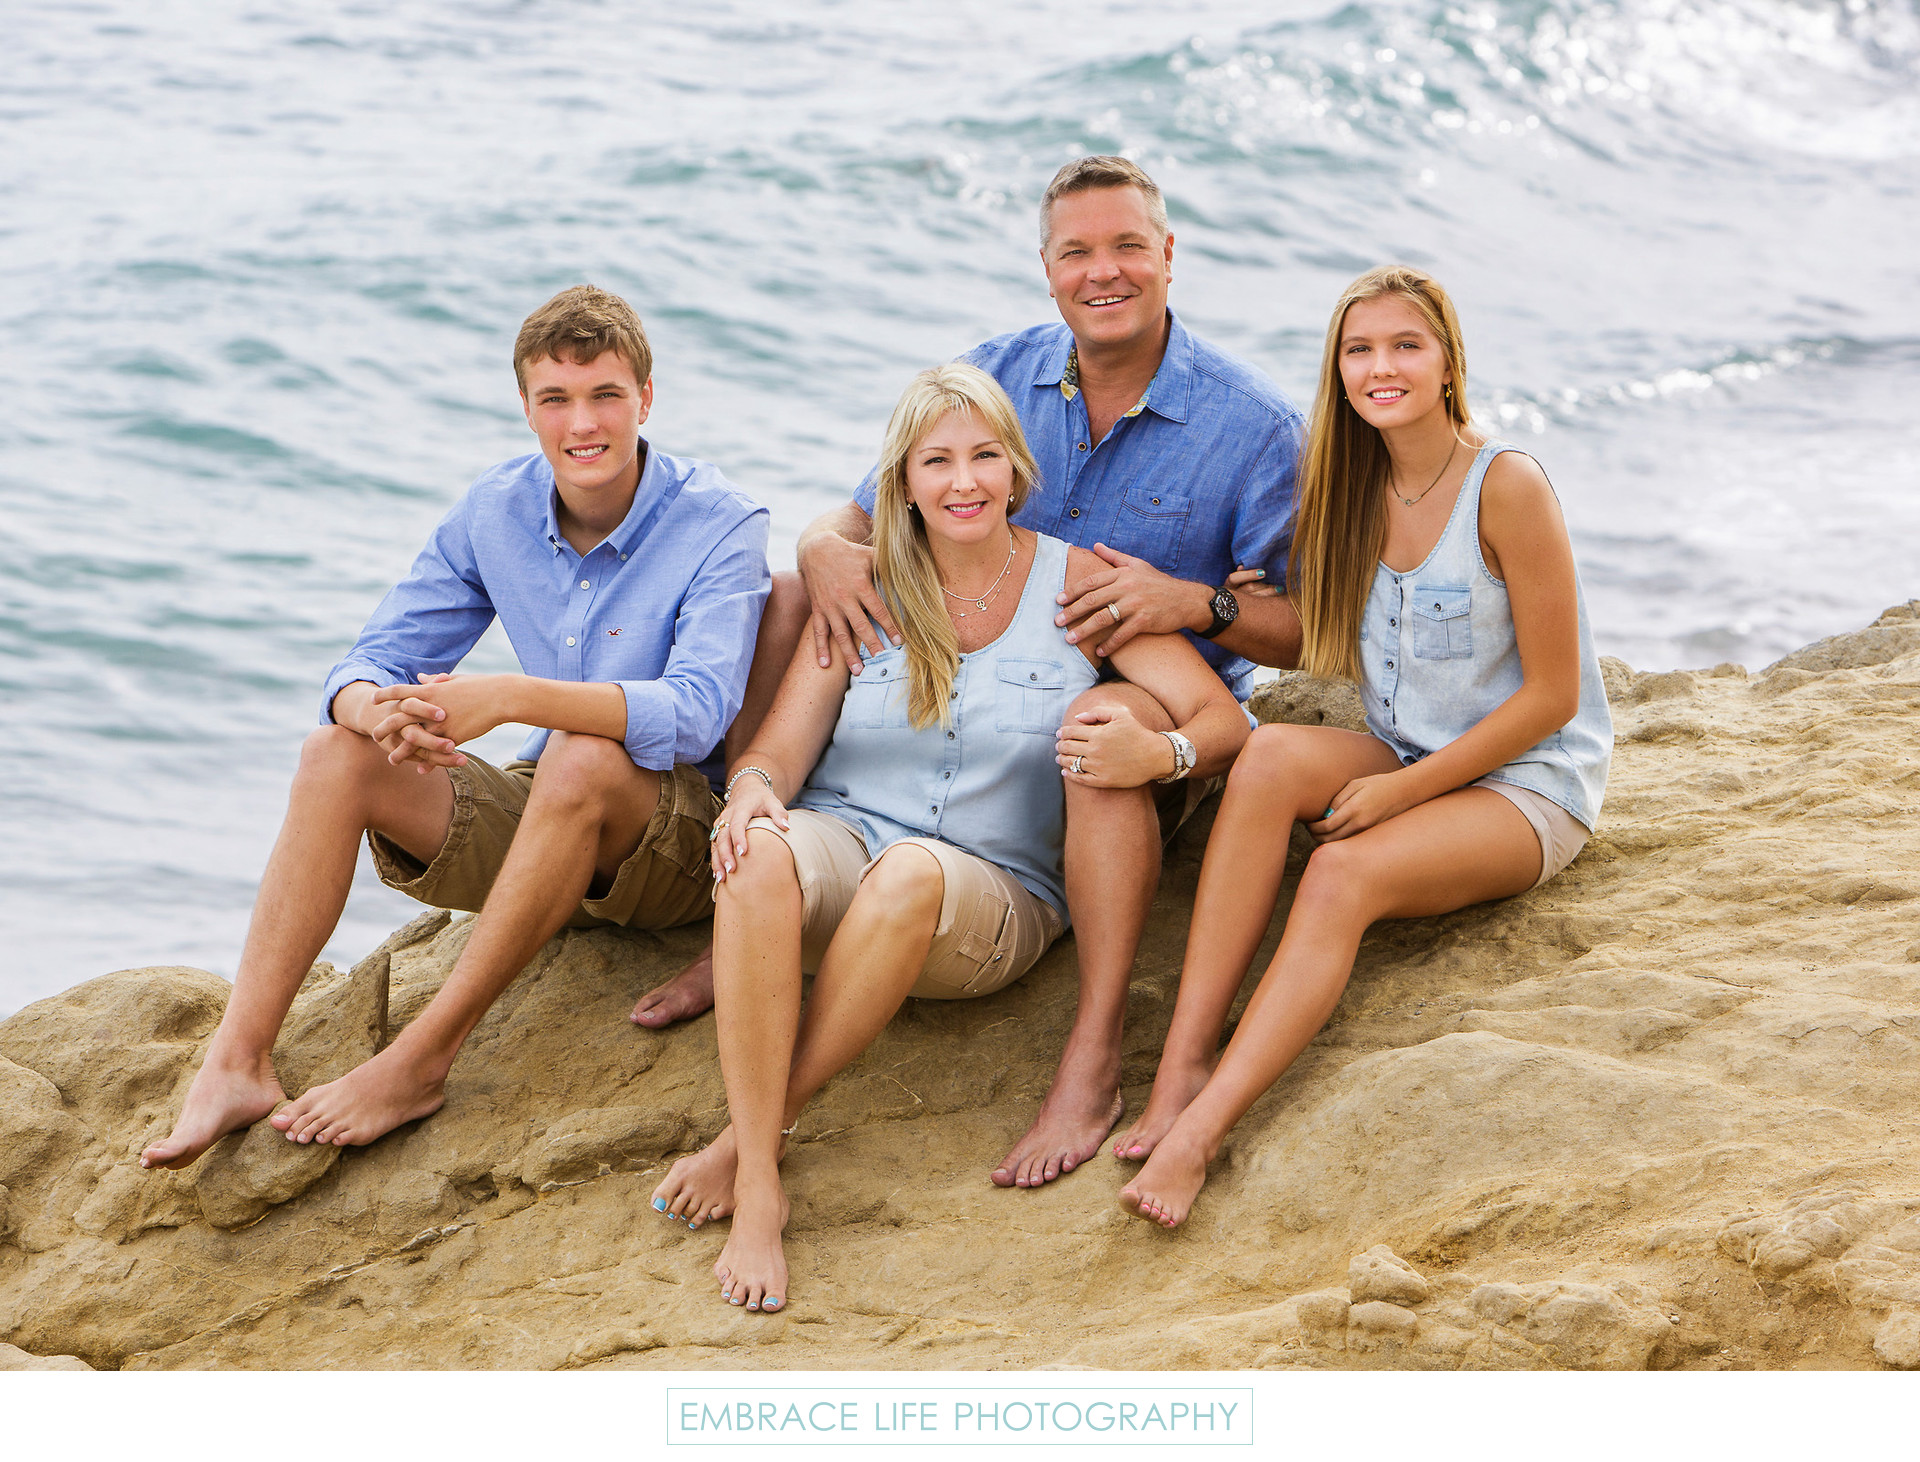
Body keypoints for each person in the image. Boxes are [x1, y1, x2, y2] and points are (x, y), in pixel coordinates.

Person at [632, 155, 1305, 1193]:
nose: (1105, 272)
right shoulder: (995, 378)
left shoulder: (1251, 427)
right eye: (1077, 252)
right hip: (914, 753)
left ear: (1169, 255)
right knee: (788, 604)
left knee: (1098, 716)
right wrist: (820, 553)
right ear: (1047, 269)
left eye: (1129, 246)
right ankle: (753, 926)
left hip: (1125, 696)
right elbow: (857, 518)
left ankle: (1091, 1052)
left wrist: (1197, 604)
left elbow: (1313, 628)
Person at [648, 363, 1248, 1311]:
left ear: (1016, 469)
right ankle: (761, 1177)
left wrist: (1159, 753)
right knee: (763, 849)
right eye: (937, 461)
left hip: (983, 899)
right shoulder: (869, 586)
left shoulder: (1077, 584)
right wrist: (750, 796)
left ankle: (758, 1139)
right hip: (843, 855)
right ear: (903, 481)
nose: (963, 481)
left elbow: (1221, 722)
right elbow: (776, 753)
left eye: (983, 457)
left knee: (912, 871)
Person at [140, 285, 770, 1169]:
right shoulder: (495, 509)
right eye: (555, 399)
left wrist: (512, 697)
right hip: (547, 825)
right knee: (334, 752)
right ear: (526, 407)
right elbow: (367, 660)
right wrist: (384, 711)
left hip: (671, 847)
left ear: (647, 399)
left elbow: (698, 711)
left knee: (584, 757)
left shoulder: (720, 521)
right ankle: (236, 1061)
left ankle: (418, 1063)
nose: (581, 424)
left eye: (605, 396)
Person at [1113, 265, 1613, 1227]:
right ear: (1337, 369)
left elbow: (1553, 697)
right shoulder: (1348, 483)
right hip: (1407, 747)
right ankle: (1180, 1066)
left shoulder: (1506, 485)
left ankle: (1202, 1129)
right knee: (1265, 758)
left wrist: (1403, 793)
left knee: (1341, 876)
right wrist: (1223, 604)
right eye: (1359, 350)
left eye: (1404, 346)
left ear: (1447, 362)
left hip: (1526, 786)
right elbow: (1328, 636)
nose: (1381, 367)